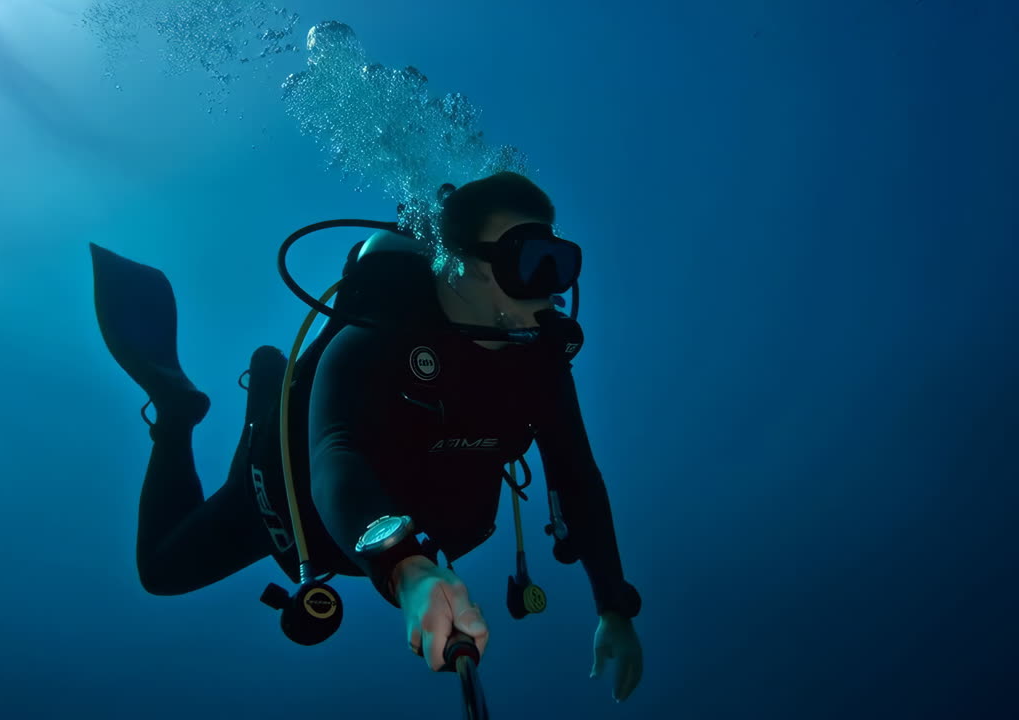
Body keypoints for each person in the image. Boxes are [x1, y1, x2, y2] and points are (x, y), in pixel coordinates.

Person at [89, 171, 644, 703]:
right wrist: (403, 565)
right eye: (530, 263)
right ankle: (183, 410)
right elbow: (336, 449)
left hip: (400, 514)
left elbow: (576, 474)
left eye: (559, 264)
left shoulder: (538, 365)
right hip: (284, 500)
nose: (550, 292)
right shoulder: (378, 334)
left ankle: (266, 385)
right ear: (459, 264)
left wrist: (613, 605)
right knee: (161, 572)